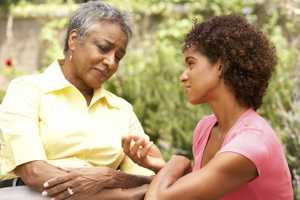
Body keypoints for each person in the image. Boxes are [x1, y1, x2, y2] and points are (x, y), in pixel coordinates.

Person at [122, 15, 293, 199]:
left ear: (221, 65)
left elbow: (159, 198)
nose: (183, 76)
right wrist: (159, 165)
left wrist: (176, 163)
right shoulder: (206, 128)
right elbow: (204, 188)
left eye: (191, 64)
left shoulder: (252, 143)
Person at [0, 1, 154, 199]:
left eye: (119, 57)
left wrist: (109, 177)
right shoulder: (27, 90)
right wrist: (116, 192)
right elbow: (35, 173)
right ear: (73, 40)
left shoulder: (122, 110)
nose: (111, 62)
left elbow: (146, 178)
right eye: (103, 48)